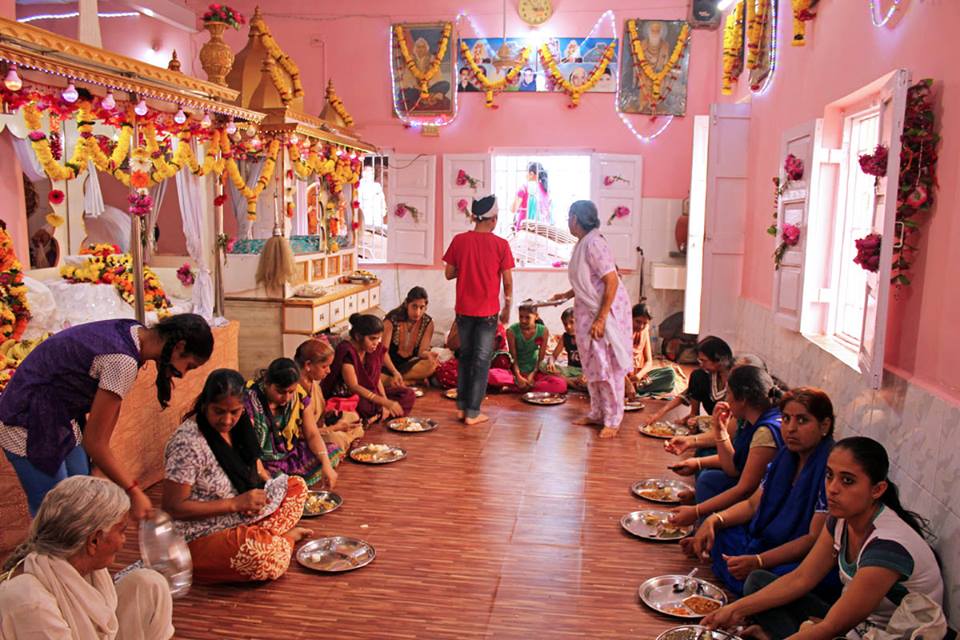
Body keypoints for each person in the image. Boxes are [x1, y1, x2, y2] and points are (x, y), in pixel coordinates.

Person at [703, 437, 944, 640]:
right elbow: (801, 579)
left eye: (847, 480)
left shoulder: (887, 547)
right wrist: (734, 609)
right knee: (758, 581)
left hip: (889, 635)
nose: (833, 488)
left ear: (877, 490)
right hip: (858, 627)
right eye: (829, 476)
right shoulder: (840, 520)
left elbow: (831, 627)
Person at [0, 314, 214, 519]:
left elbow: (110, 412)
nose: (183, 374)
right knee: (54, 511)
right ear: (179, 347)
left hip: (58, 416)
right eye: (189, 366)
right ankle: (47, 546)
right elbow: (95, 442)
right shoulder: (122, 360)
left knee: (82, 498)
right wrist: (133, 492)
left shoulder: (133, 331)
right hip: (26, 418)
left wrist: (99, 464)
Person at [161, 369, 311, 583]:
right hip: (199, 532)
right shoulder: (187, 443)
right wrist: (235, 504)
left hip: (239, 512)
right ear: (205, 404)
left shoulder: (240, 424)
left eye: (234, 412)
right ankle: (281, 540)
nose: (227, 420)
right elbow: (173, 508)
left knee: (296, 486)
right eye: (219, 411)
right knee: (263, 557)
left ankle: (260, 535)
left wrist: (262, 494)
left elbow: (254, 466)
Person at [686, 387, 838, 598]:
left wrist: (759, 561)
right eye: (786, 419)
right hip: (768, 539)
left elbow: (812, 539)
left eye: (802, 420)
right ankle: (745, 575)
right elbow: (752, 505)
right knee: (720, 534)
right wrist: (714, 520)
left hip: (802, 556)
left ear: (824, 425)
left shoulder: (831, 470)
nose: (791, 428)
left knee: (771, 579)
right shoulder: (786, 456)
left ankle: (753, 583)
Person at [0, 476, 174, 639]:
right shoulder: (30, 602)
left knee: (148, 584)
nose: (124, 540)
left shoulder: (83, 567)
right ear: (94, 541)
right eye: (121, 531)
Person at [549, 200, 632, 439]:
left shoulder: (594, 243)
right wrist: (566, 295)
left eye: (569, 217)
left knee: (608, 367)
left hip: (603, 313)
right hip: (589, 311)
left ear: (575, 218)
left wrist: (601, 319)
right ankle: (597, 413)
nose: (568, 222)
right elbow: (589, 281)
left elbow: (611, 280)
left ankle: (613, 419)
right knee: (593, 365)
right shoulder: (583, 243)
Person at [667, 365, 783, 523]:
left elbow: (745, 489)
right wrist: (720, 431)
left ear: (743, 399)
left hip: (765, 501)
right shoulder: (750, 418)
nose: (726, 400)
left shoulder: (766, 431)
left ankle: (708, 528)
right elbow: (733, 468)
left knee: (708, 480)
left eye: (728, 393)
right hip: (749, 489)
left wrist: (696, 511)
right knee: (709, 477)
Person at [442, 195, 515, 425]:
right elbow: (508, 282)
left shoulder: (459, 241)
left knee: (465, 357)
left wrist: (466, 267)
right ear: (493, 219)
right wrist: (507, 306)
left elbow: (449, 273)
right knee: (482, 361)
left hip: (463, 310)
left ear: (475, 218)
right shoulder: (501, 245)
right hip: (487, 313)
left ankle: (462, 408)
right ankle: (473, 412)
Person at [244, 358, 338, 488]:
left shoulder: (299, 396)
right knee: (254, 477)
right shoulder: (249, 401)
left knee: (331, 452)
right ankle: (285, 483)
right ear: (267, 383)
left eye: (291, 392)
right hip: (261, 462)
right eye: (280, 392)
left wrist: (326, 465)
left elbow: (312, 434)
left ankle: (289, 482)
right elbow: (248, 448)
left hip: (288, 455)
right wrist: (268, 480)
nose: (287, 398)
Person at [323, 314, 416, 422]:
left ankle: (378, 415)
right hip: (350, 396)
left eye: (378, 339)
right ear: (358, 336)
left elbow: (375, 379)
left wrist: (385, 399)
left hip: (370, 393)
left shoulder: (371, 350)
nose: (376, 343)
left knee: (408, 394)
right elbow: (354, 386)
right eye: (372, 339)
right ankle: (376, 415)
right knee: (365, 407)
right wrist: (384, 402)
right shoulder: (347, 351)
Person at [643, 335, 734, 428]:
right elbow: (686, 394)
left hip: (731, 425)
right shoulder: (707, 375)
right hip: (712, 422)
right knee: (697, 375)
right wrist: (658, 414)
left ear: (719, 360)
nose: (701, 365)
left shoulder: (736, 378)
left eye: (704, 361)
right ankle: (693, 415)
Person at [294, 339, 364, 455]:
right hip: (307, 438)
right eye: (324, 366)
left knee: (352, 416)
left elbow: (318, 413)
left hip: (320, 429)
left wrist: (329, 414)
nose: (329, 371)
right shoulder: (294, 390)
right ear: (308, 365)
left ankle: (347, 441)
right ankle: (345, 444)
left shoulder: (314, 383)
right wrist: (334, 428)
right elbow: (300, 433)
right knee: (337, 439)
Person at [497, 304, 567, 394]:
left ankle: (520, 387)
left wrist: (532, 375)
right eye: (521, 317)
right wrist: (518, 376)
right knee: (492, 376)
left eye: (527, 317)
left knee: (561, 385)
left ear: (536, 316)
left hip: (535, 371)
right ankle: (526, 385)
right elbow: (513, 358)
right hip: (515, 372)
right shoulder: (511, 331)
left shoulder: (543, 331)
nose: (523, 320)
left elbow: (540, 359)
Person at [382, 286, 438, 386]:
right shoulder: (391, 320)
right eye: (414, 306)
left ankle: (396, 381)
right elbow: (383, 352)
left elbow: (421, 352)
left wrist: (428, 354)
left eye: (421, 307)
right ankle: (408, 381)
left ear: (426, 307)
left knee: (431, 366)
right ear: (406, 304)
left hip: (409, 366)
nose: (417, 312)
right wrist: (394, 372)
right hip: (388, 365)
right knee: (374, 376)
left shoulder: (428, 323)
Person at [627, 302, 680, 397]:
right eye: (638, 322)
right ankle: (630, 388)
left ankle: (635, 388)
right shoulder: (622, 331)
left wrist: (638, 376)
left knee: (670, 374)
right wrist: (627, 382)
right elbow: (614, 364)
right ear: (630, 318)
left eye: (645, 323)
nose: (641, 326)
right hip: (622, 377)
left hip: (637, 377)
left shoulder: (644, 331)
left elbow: (649, 362)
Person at [545, 308, 587, 391]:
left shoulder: (586, 336)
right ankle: (574, 384)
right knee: (542, 365)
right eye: (565, 324)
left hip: (585, 372)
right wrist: (551, 362)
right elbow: (553, 356)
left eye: (572, 322)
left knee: (593, 381)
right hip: (570, 370)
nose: (568, 326)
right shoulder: (565, 337)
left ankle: (570, 382)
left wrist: (586, 375)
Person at [511, 162, 551, 228]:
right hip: (542, 229)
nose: (525, 175)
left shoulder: (524, 188)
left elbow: (513, 209)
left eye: (526, 172)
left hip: (524, 229)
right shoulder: (546, 189)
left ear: (531, 174)